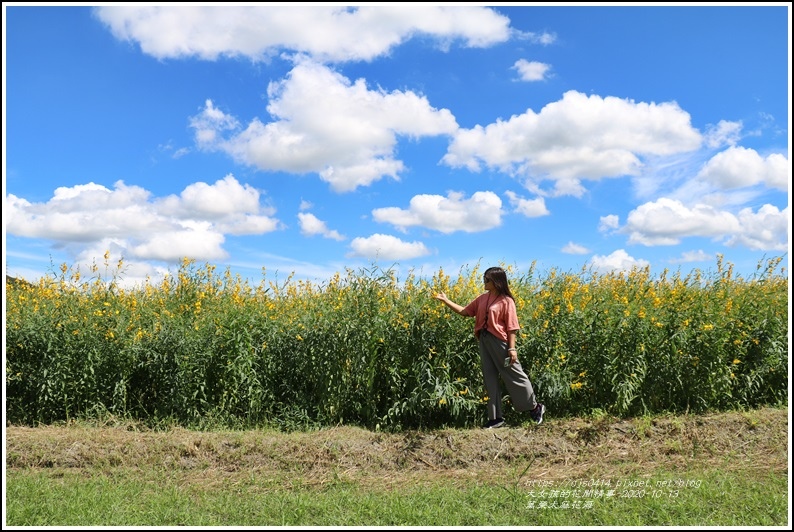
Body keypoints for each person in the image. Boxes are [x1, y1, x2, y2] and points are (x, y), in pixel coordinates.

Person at [434, 266, 545, 428]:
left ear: (496, 281)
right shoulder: (482, 298)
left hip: (500, 342)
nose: (484, 282)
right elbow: (465, 312)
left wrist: (512, 348)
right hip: (484, 341)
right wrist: (446, 300)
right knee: (489, 378)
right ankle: (495, 418)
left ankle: (534, 407)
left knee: (515, 374)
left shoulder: (507, 301)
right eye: (484, 278)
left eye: (487, 279)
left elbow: (512, 326)